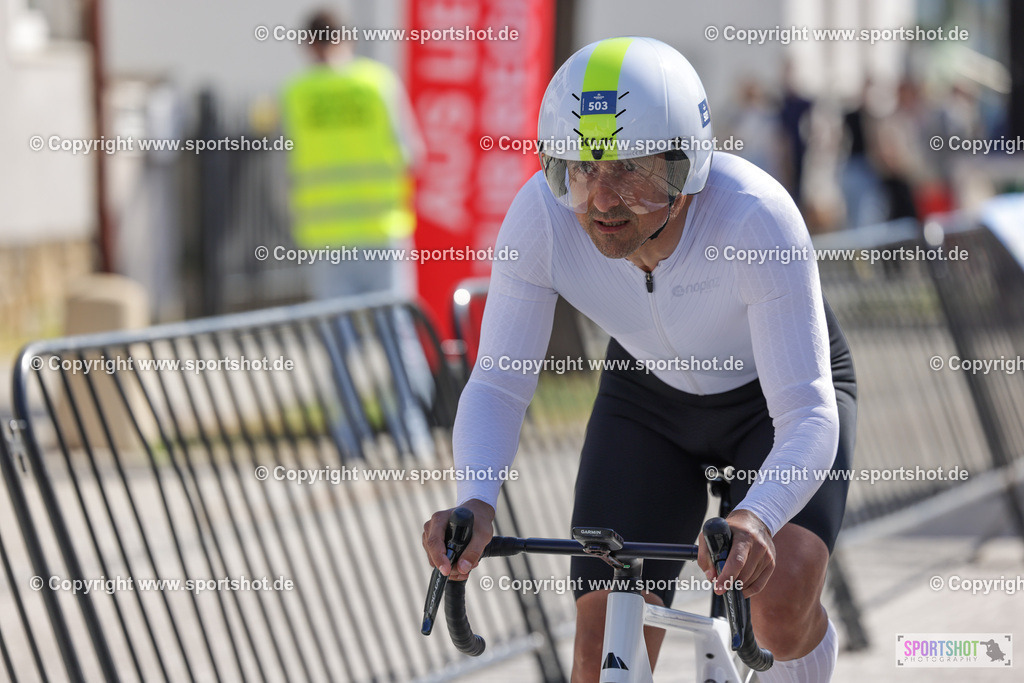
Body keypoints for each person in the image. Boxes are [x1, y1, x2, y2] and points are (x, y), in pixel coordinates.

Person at [422, 37, 856, 682]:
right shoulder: (540, 218)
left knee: (776, 611)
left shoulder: (756, 218)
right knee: (598, 656)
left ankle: (807, 644)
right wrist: (476, 502)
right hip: (647, 401)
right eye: (580, 169)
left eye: (631, 170)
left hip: (771, 401)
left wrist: (756, 517)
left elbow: (807, 412)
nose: (600, 200)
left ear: (689, 167)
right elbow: (498, 384)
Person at [282, 9, 424, 301]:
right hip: (382, 229)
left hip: (325, 237)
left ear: (309, 44)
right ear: (348, 38)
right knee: (396, 327)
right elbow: (411, 154)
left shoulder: (295, 93)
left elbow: (282, 168)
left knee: (336, 333)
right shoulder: (378, 82)